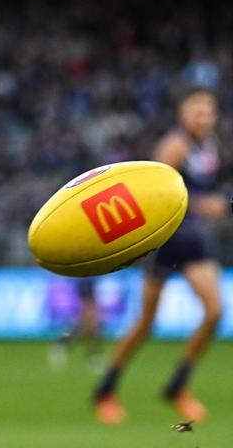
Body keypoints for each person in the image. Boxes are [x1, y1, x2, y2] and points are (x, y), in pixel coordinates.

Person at [94, 87, 225, 425]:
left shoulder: (208, 147)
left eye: (208, 111)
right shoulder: (175, 146)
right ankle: (105, 390)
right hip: (167, 240)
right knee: (146, 324)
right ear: (184, 114)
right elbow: (155, 194)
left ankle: (178, 385)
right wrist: (202, 205)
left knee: (214, 312)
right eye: (197, 110)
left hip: (192, 240)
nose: (203, 117)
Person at [48, 278, 102, 370]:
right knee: (89, 327)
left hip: (88, 288)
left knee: (85, 327)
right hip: (85, 287)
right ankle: (92, 355)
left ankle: (62, 346)